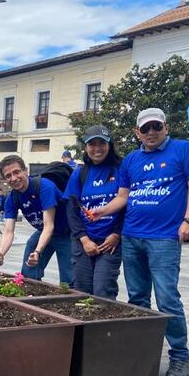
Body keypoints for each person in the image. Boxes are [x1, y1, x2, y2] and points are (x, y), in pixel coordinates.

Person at [89, 108, 189, 376]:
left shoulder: (182, 149)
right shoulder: (131, 160)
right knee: (138, 298)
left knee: (167, 297)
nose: (151, 132)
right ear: (136, 132)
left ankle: (179, 356)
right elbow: (123, 197)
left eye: (156, 126)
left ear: (165, 126)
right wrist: (102, 211)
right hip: (132, 237)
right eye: (145, 128)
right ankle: (140, 350)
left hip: (164, 239)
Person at [63, 125, 124, 299]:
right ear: (86, 147)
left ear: (110, 145)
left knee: (103, 290)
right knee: (81, 291)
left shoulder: (121, 169)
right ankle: (82, 327)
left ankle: (106, 327)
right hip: (83, 240)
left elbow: (127, 205)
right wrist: (84, 239)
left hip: (110, 241)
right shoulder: (80, 173)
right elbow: (72, 209)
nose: (97, 148)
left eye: (101, 143)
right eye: (92, 144)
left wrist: (116, 234)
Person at [0, 155, 72, 285]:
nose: (13, 178)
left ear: (25, 170)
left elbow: (49, 225)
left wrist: (38, 251)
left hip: (66, 232)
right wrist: (1, 252)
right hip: (43, 231)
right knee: (28, 274)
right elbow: (8, 231)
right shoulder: (12, 198)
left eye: (16, 172)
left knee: (69, 280)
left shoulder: (45, 187)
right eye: (8, 176)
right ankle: (32, 297)